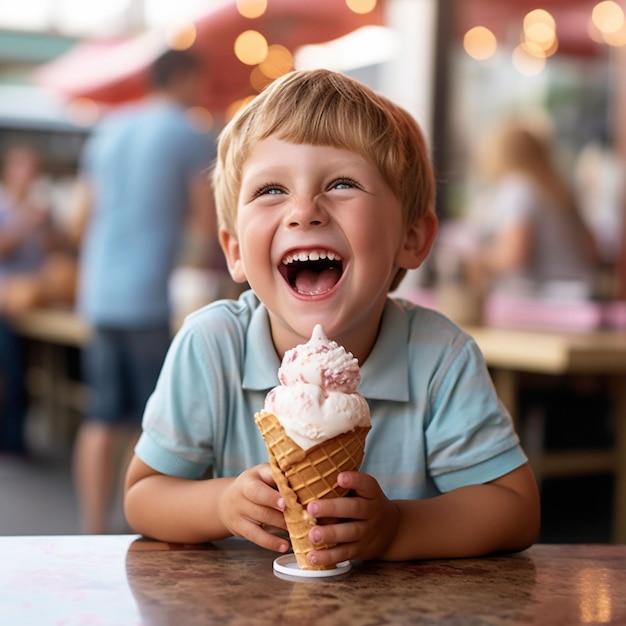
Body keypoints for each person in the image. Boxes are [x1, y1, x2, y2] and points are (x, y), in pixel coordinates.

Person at [124, 69, 540, 564]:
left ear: (412, 238)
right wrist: (219, 504)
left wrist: (399, 527)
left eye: (342, 183)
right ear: (234, 249)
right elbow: (143, 495)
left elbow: (516, 510)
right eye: (271, 190)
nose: (304, 210)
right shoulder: (212, 346)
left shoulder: (438, 358)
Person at [72, 48, 217, 534]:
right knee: (151, 422)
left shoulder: (109, 128)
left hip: (99, 294)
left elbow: (80, 220)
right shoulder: (185, 131)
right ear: (184, 77)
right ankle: (144, 524)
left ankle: (92, 529)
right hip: (150, 295)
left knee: (100, 415)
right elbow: (205, 220)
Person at [460, 120, 600, 298]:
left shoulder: (518, 188)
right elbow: (594, 251)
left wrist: (472, 261)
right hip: (581, 297)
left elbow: (514, 255)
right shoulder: (559, 190)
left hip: (548, 303)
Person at [0, 144, 76, 454]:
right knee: (11, 372)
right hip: (6, 302)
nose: (30, 176)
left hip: (32, 303)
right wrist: (23, 225)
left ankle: (21, 436)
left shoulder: (41, 207)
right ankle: (10, 439)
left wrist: (46, 228)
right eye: (24, 169)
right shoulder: (6, 206)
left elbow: (61, 250)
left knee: (32, 371)